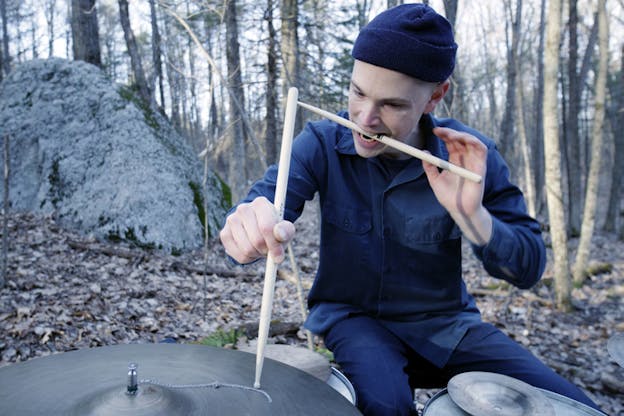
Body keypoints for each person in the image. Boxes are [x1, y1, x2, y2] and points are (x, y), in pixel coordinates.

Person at [219, 4, 602, 415]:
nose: (365, 118)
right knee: (385, 403)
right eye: (357, 91)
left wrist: (473, 219)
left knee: (571, 407)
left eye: (393, 105)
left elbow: (527, 268)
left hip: (447, 327)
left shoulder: (469, 156)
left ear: (436, 95)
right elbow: (263, 203)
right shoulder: (321, 142)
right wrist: (249, 225)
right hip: (355, 320)